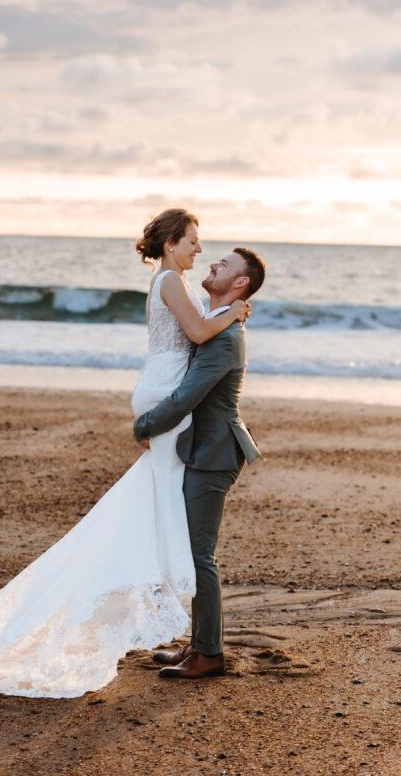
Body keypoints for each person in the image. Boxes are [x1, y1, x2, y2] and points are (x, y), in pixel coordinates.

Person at [0, 208, 249, 698]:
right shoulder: (175, 285)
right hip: (164, 398)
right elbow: (200, 334)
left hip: (162, 398)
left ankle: (199, 642)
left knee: (167, 518)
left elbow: (201, 341)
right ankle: (199, 642)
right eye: (192, 241)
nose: (199, 251)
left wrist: (224, 319)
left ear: (240, 281)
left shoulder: (173, 286)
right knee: (171, 522)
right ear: (170, 244)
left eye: (206, 249)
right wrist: (232, 311)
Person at [133, 244, 266, 680]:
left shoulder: (226, 337)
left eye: (225, 265)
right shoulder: (215, 325)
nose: (213, 263)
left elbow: (189, 394)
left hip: (215, 452)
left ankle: (209, 654)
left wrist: (145, 424)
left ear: (241, 283)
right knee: (194, 550)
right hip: (202, 447)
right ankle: (198, 643)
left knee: (199, 554)